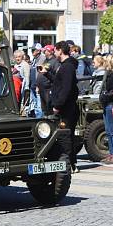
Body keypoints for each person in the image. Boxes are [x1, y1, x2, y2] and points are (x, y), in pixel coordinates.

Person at [50, 41, 80, 173]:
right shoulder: (64, 66)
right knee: (65, 135)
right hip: (65, 107)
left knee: (66, 136)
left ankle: (70, 164)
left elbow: (66, 88)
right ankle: (70, 162)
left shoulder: (67, 67)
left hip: (66, 108)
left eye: (55, 51)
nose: (54, 53)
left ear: (60, 50)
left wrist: (58, 105)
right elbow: (59, 84)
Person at [99, 55, 113, 165]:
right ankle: (112, 153)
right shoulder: (108, 73)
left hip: (111, 104)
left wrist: (105, 96)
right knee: (108, 130)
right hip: (106, 104)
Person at [36, 44, 60, 115]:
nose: (44, 52)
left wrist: (46, 73)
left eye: (45, 50)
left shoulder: (55, 61)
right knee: (44, 108)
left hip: (48, 88)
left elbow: (56, 75)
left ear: (50, 52)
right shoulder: (45, 60)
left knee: (49, 107)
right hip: (42, 88)